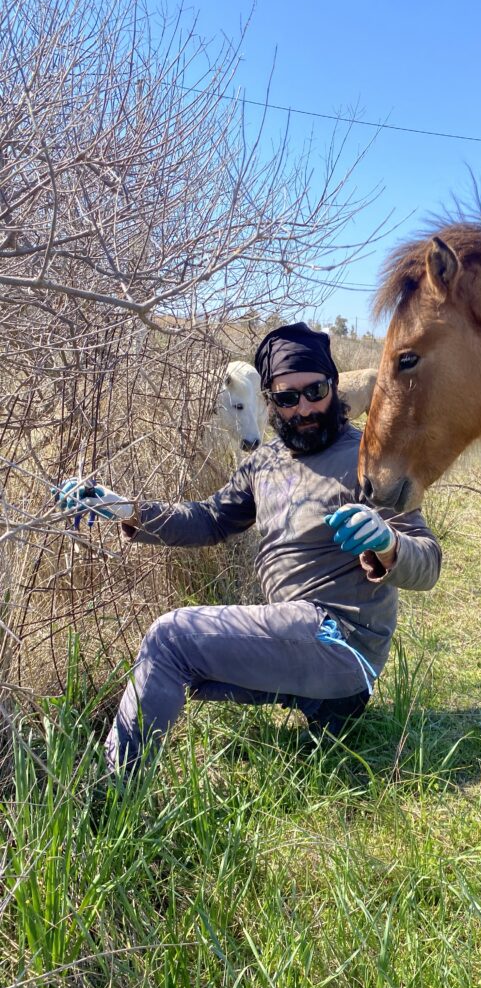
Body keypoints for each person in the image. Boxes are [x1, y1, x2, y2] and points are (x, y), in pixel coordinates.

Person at [54, 322, 442, 775]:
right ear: (271, 402)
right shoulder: (265, 462)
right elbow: (208, 518)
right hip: (299, 645)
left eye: (315, 390)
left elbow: (428, 562)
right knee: (178, 665)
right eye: (287, 398)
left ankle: (112, 791)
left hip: (344, 646)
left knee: (171, 637)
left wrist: (389, 544)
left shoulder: (370, 461)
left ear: (334, 387)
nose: (305, 408)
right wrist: (120, 508)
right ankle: (319, 714)